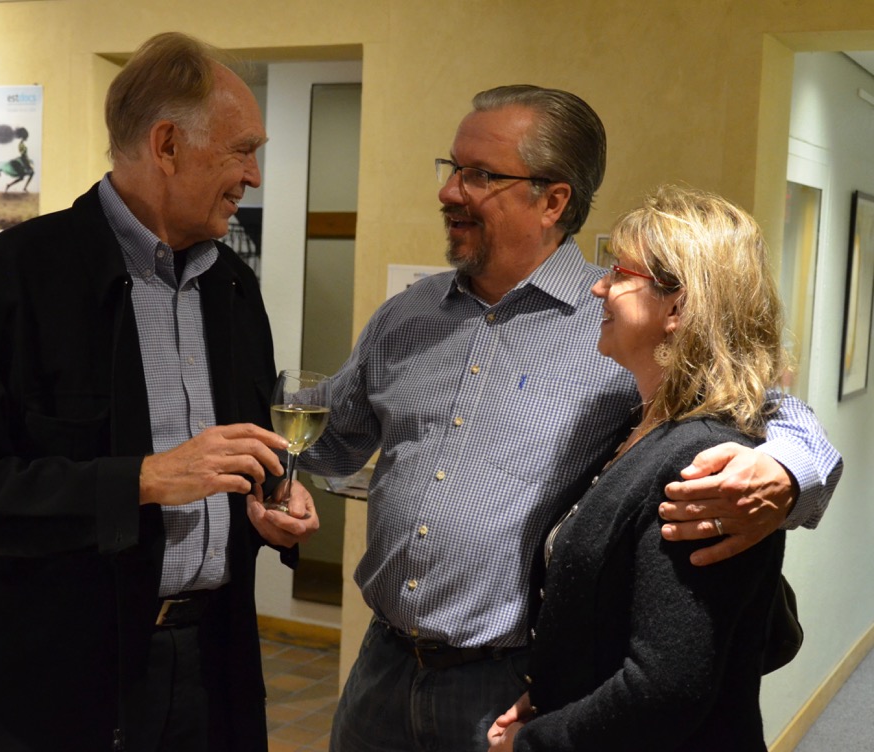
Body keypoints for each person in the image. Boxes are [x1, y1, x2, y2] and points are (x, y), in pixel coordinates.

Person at [299, 85, 842, 751]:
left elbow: (755, 406)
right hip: (381, 669)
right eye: (452, 168)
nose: (449, 191)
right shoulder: (408, 317)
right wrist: (265, 463)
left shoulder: (617, 330)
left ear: (552, 201)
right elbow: (326, 436)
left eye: (479, 175)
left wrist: (785, 470)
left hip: (509, 684)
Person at [0, 32, 318, 752]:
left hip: (214, 671)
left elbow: (230, 461)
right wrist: (143, 480)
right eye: (242, 150)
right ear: (167, 145)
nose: (254, 176)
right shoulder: (13, 280)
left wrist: (270, 500)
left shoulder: (233, 287)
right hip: (58, 694)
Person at [487, 185, 794, 750]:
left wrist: (534, 743)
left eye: (619, 272)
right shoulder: (641, 424)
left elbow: (667, 687)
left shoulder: (704, 462)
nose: (598, 286)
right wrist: (551, 694)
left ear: (677, 307)